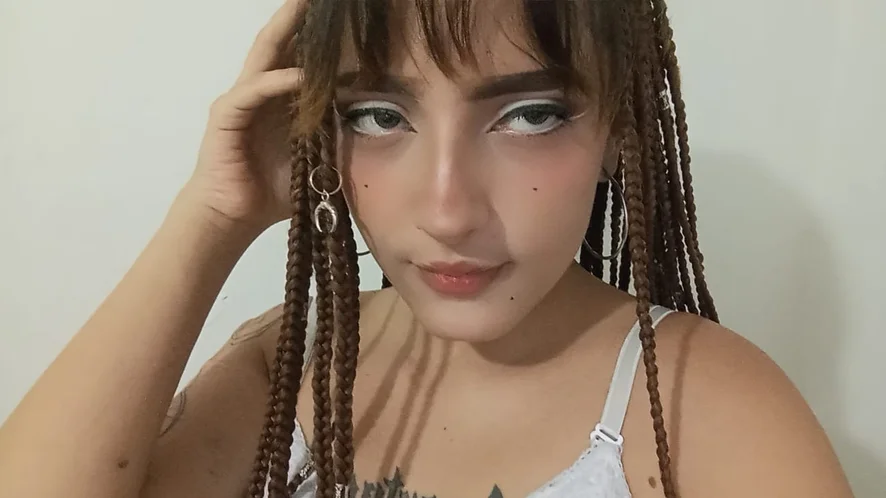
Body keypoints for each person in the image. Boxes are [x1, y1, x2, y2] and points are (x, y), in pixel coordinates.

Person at [0, 0, 854, 497]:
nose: (447, 210)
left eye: (530, 116)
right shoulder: (293, 362)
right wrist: (212, 217)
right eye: (378, 115)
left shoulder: (708, 407)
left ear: (620, 129)